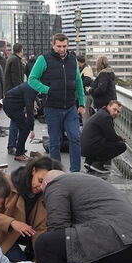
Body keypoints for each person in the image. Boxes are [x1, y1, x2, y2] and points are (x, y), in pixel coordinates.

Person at [27, 34, 86, 172]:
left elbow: (78, 82)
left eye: (64, 46)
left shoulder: (73, 60)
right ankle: (56, 172)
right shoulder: (43, 59)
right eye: (59, 46)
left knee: (75, 138)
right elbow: (32, 79)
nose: (62, 49)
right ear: (53, 45)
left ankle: (76, 171)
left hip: (70, 107)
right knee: (54, 142)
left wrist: (82, 103)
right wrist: (47, 90)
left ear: (68, 45)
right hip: (52, 108)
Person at [0, 156, 62, 262]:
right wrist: (12, 223)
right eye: (40, 180)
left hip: (30, 236)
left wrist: (40, 260)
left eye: (46, 184)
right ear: (33, 170)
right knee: (20, 262)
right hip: (2, 234)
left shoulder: (47, 193)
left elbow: (42, 229)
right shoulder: (7, 183)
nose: (41, 187)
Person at [80, 100, 127, 173]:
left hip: (84, 147)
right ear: (108, 106)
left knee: (102, 140)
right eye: (114, 109)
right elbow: (111, 136)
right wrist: (120, 139)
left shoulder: (101, 113)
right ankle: (97, 164)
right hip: (90, 147)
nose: (115, 113)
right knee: (122, 146)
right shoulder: (106, 117)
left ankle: (89, 162)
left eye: (118, 112)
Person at [2, 81, 38, 161]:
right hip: (12, 107)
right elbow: (29, 109)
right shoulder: (31, 90)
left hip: (13, 104)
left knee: (21, 125)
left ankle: (18, 148)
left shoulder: (30, 85)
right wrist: (32, 129)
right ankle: (19, 153)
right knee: (25, 128)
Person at [3, 44, 26, 154]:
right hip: (15, 96)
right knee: (16, 121)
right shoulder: (16, 60)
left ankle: (15, 145)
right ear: (21, 50)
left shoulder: (11, 59)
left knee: (16, 120)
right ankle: (12, 145)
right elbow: (16, 78)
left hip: (9, 94)